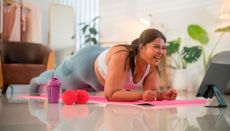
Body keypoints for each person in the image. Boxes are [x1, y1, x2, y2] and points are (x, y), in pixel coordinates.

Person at [30, 28, 177, 102]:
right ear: (142, 47)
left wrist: (162, 95)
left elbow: (151, 93)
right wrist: (141, 95)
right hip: (84, 64)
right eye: (156, 47)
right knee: (58, 79)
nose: (161, 52)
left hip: (102, 64)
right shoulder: (123, 57)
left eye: (164, 48)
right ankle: (35, 81)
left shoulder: (151, 65)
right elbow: (111, 94)